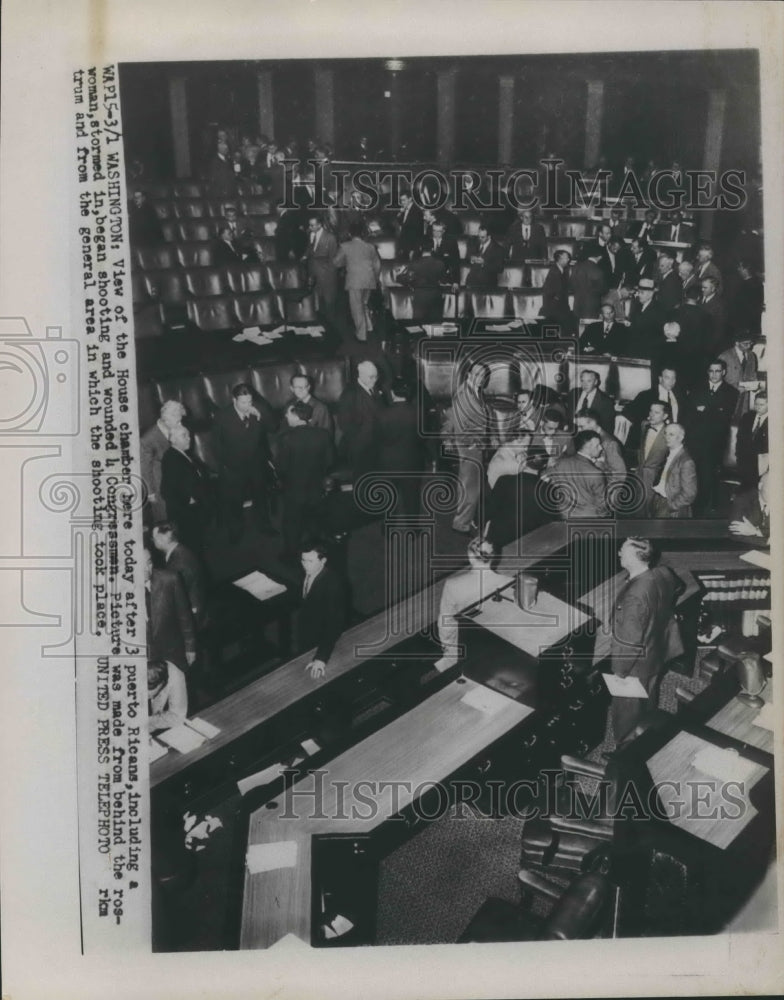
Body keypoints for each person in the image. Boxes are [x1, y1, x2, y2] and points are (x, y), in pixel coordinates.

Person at [606, 537, 684, 748]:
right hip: (658, 648)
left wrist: (619, 672)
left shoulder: (634, 597)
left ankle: (625, 749)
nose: (619, 554)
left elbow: (629, 643)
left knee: (626, 709)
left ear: (632, 557)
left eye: (622, 550)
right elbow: (678, 587)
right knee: (649, 694)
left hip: (636, 662)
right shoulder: (663, 573)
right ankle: (647, 732)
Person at [213, 382, 276, 541]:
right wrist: (226, 466)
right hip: (234, 468)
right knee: (234, 502)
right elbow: (216, 445)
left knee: (261, 498)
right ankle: (235, 531)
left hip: (257, 465)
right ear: (234, 400)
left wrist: (261, 413)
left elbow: (274, 427)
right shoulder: (222, 416)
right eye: (243, 402)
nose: (247, 405)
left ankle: (264, 526)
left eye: (249, 401)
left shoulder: (257, 410)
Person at [434, 538, 509, 671]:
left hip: (466, 646)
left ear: (470, 557)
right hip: (495, 645)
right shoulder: (508, 582)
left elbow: (446, 623)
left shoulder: (453, 585)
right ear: (494, 556)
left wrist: (449, 650)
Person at [274, 401, 334, 560]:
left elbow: (281, 467)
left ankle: (290, 555)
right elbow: (329, 461)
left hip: (294, 489)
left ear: (295, 416)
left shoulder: (287, 438)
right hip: (316, 487)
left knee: (292, 523)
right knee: (314, 521)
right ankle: (317, 551)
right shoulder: (323, 434)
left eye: (288, 413)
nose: (286, 416)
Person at [445, 360, 491, 534]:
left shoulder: (474, 391)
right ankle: (461, 524)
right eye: (477, 374)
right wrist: (472, 443)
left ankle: (466, 519)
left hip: (473, 445)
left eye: (483, 375)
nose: (480, 378)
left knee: (470, 484)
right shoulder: (465, 394)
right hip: (470, 446)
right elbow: (461, 423)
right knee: (469, 485)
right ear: (469, 374)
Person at [688, 359, 739, 513]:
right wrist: (714, 409)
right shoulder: (697, 389)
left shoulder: (732, 392)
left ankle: (699, 511)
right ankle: (688, 508)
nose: (714, 374)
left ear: (723, 372)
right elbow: (689, 412)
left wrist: (704, 410)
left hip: (713, 443)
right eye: (711, 371)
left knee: (706, 477)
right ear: (707, 372)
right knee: (690, 475)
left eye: (718, 371)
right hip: (693, 441)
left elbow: (724, 417)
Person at [376, 377, 427, 517]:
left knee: (388, 497)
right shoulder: (419, 412)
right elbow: (422, 438)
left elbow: (378, 438)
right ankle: (413, 529)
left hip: (388, 462)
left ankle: (387, 528)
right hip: (411, 461)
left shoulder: (383, 414)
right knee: (412, 498)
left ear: (392, 393)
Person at [298, 543, 347, 679]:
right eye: (303, 560)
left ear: (323, 561)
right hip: (306, 628)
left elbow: (334, 624)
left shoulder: (333, 585)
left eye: (310, 561)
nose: (305, 565)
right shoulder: (309, 571)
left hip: (321, 637)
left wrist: (321, 658)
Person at [160, 424, 212, 552]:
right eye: (184, 436)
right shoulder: (171, 459)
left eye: (188, 435)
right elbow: (167, 489)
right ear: (173, 440)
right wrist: (188, 500)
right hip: (185, 512)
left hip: (192, 509)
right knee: (191, 544)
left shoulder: (182, 453)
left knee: (197, 540)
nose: (189, 438)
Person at [143, 547, 196, 673]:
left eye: (149, 563)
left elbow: (185, 617)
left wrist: (190, 648)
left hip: (173, 655)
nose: (146, 570)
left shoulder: (170, 580)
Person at [151, 522, 208, 629]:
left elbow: (175, 595)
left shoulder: (179, 563)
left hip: (191, 614)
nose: (153, 540)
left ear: (165, 538)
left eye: (155, 537)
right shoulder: (180, 551)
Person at [336, 360, 385, 480]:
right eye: (371, 377)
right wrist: (359, 440)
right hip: (361, 447)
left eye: (376, 376)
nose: (374, 380)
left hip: (377, 444)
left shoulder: (375, 389)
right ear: (360, 375)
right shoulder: (350, 393)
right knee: (362, 481)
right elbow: (344, 423)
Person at [333, 220, 381, 342]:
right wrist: (375, 278)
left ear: (350, 234)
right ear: (363, 234)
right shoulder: (370, 247)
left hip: (354, 280)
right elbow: (377, 265)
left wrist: (347, 262)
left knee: (356, 307)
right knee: (364, 303)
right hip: (369, 280)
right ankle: (369, 327)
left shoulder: (345, 246)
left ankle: (361, 335)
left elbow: (336, 263)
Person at [140, 400, 186, 523]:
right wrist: (150, 493)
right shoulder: (148, 439)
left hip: (177, 483)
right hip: (160, 487)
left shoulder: (176, 430)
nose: (180, 424)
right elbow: (145, 468)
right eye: (178, 421)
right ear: (166, 420)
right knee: (165, 521)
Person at [547, 429, 609, 519]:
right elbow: (602, 504)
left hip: (564, 516)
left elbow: (547, 479)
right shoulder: (596, 472)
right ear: (588, 446)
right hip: (589, 519)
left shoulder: (561, 463)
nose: (601, 448)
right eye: (597, 445)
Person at [650, 423, 698, 518]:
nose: (666, 437)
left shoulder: (686, 462)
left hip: (671, 508)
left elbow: (689, 494)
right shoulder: (668, 454)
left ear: (680, 438)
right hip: (658, 500)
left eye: (671, 434)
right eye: (665, 433)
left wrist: (671, 506)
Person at [303, 215, 339, 330]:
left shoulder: (330, 238)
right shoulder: (311, 234)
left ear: (320, 225)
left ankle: (331, 331)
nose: (310, 227)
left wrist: (329, 276)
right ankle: (319, 329)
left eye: (312, 225)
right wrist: (305, 255)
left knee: (329, 305)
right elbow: (310, 248)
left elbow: (334, 260)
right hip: (313, 274)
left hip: (326, 276)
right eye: (309, 225)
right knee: (316, 303)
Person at [635, 400, 670, 516]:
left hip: (656, 477)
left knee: (652, 509)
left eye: (656, 412)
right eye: (651, 411)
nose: (651, 415)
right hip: (640, 473)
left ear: (665, 416)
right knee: (638, 507)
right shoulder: (644, 425)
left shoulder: (670, 433)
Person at [564, 369, 615, 434]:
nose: (585, 384)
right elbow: (567, 414)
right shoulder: (573, 393)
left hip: (592, 435)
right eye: (582, 381)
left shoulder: (606, 401)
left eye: (589, 381)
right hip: (572, 432)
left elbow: (608, 428)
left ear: (596, 382)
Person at [735, 392, 769, 488]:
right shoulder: (747, 417)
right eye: (756, 404)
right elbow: (739, 440)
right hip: (744, 464)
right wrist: (739, 458)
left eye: (761, 405)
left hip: (761, 466)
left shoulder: (774, 421)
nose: (758, 407)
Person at [147, 659, 188, 733]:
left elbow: (177, 717)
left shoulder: (176, 676)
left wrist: (147, 722)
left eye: (148, 695)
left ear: (161, 685)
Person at [730, 471, 770, 545]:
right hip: (747, 548)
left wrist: (755, 531)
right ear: (760, 486)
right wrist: (767, 540)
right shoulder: (742, 499)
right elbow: (736, 533)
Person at [540, 249, 576, 334]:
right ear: (559, 259)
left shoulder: (563, 270)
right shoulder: (554, 272)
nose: (568, 260)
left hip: (560, 306)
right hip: (554, 308)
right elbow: (554, 291)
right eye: (566, 258)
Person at [465, 224, 505, 288]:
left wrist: (484, 263)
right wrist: (471, 259)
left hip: (487, 283)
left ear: (489, 237)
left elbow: (500, 268)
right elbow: (467, 258)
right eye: (479, 236)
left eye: (482, 237)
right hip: (471, 280)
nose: (480, 239)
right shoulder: (473, 243)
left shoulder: (498, 249)